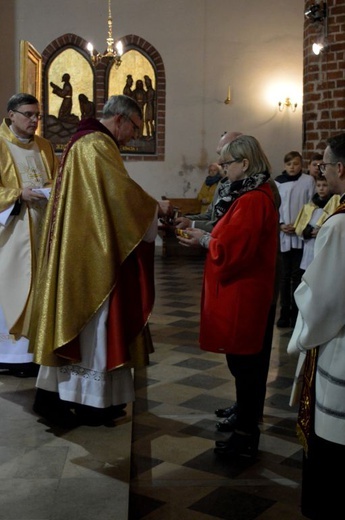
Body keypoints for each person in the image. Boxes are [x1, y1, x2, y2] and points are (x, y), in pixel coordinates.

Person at [23, 94, 171, 428]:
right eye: (134, 127)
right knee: (92, 324)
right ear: (119, 119)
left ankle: (88, 401)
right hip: (89, 253)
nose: (134, 135)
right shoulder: (95, 146)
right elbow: (120, 194)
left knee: (92, 327)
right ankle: (82, 402)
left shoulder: (88, 142)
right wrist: (153, 208)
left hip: (85, 244)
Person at [177, 135, 278, 459]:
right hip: (243, 292)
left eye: (227, 163)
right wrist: (205, 234)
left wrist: (204, 240)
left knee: (247, 365)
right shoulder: (249, 194)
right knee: (242, 363)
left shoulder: (253, 199)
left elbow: (236, 249)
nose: (223, 168)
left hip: (244, 294)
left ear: (245, 164)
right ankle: (245, 425)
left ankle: (245, 435)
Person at [287, 132, 345, 519]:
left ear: (340, 168)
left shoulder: (340, 226)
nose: (321, 169)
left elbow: (324, 301)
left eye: (323, 164)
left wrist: (301, 332)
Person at [0, 93, 58, 378]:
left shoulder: (45, 146)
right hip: (11, 232)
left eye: (38, 115)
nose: (35, 120)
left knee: (39, 287)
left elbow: (56, 180)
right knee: (11, 285)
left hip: (41, 227)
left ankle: (33, 352)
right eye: (28, 115)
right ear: (11, 114)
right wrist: (17, 195)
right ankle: (7, 355)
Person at [275, 151, 315, 328]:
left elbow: (311, 206)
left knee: (298, 275)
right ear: (284, 165)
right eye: (289, 164)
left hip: (300, 235)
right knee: (284, 276)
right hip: (284, 233)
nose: (292, 167)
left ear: (302, 165)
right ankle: (284, 311)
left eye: (296, 164)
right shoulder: (277, 183)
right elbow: (274, 206)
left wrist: (300, 225)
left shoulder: (308, 181)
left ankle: (296, 312)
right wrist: (281, 223)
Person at [175, 131, 243, 233]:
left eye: (223, 154)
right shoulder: (224, 184)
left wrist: (194, 227)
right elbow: (211, 215)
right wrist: (185, 219)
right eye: (219, 154)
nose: (219, 161)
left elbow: (230, 232)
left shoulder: (251, 189)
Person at [294, 174, 338, 271]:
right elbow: (300, 227)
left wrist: (321, 232)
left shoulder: (334, 206)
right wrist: (307, 231)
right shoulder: (309, 207)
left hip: (325, 247)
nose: (321, 188)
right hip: (310, 246)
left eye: (324, 185)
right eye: (318, 185)